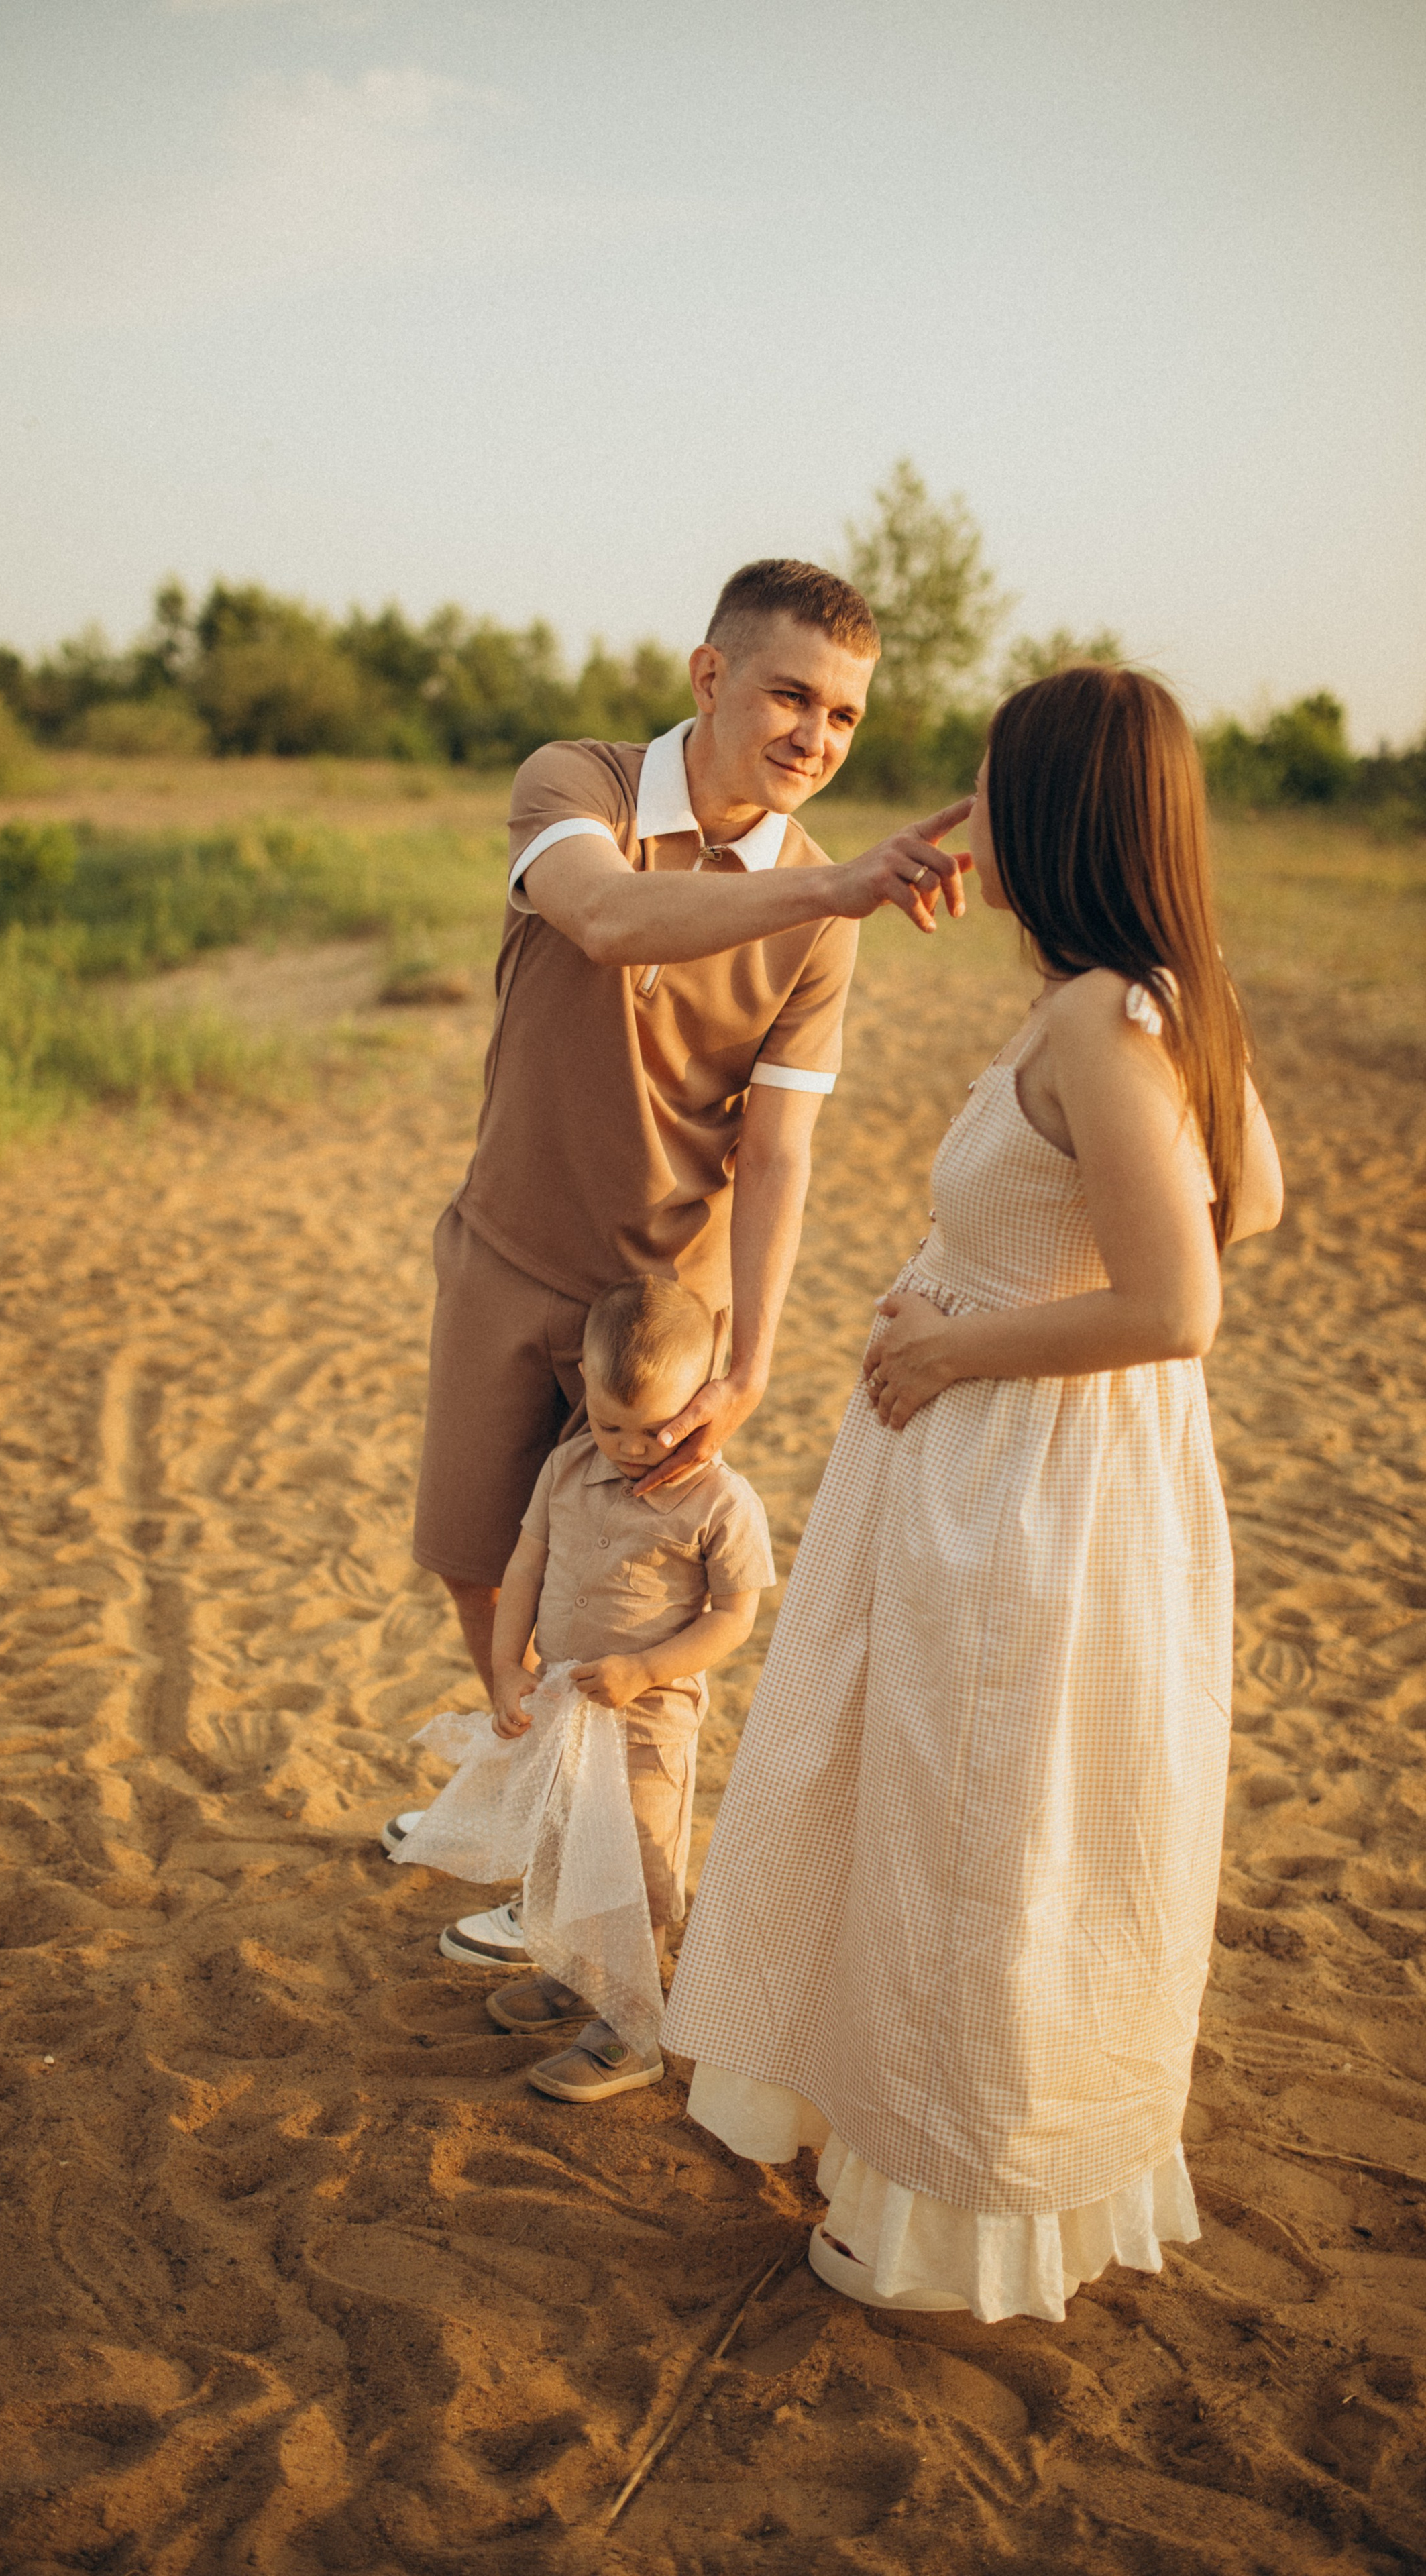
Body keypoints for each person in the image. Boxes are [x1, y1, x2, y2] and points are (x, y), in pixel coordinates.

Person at [661, 664, 1285, 2325]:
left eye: (998, 786)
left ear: (1059, 816)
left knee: (973, 1834)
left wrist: (956, 1340)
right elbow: (1254, 1198)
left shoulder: (1099, 1019)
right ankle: (896, 2148)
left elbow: (1180, 1304)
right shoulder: (1159, 994)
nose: (971, 812)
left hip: (1020, 1481)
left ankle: (940, 2219)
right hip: (1041, 1467)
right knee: (959, 1819)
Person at [398, 557, 973, 1963]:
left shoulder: (818, 916)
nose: (815, 737)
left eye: (844, 717)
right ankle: (526, 1796)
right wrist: (833, 885)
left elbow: (776, 1153)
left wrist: (751, 1359)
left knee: (628, 1615)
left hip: (661, 1310)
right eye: (791, 696)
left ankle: (574, 1880)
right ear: (710, 676)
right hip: (503, 1253)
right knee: (477, 1566)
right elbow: (601, 918)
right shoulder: (576, 785)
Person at [459, 1277, 775, 2103]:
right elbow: (525, 1565)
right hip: (564, 1702)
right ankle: (578, 1976)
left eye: (655, 1429)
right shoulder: (567, 1467)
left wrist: (646, 1669)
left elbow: (735, 1619)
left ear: (700, 1401)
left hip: (648, 1716)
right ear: (587, 1395)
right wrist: (507, 1666)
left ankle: (631, 2030)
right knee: (566, 1842)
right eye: (610, 1426)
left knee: (636, 1862)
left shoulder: (720, 1501)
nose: (631, 1447)